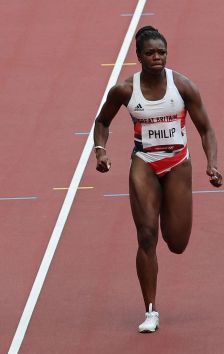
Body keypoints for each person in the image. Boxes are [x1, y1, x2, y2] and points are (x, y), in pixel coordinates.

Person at [94, 25, 221, 333]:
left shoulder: (183, 86)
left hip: (178, 164)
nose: (157, 58)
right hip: (144, 163)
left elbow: (206, 129)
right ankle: (150, 310)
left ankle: (168, 209)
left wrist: (213, 164)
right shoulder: (125, 89)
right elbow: (102, 121)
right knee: (147, 236)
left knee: (176, 242)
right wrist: (101, 150)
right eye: (150, 53)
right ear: (138, 56)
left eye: (161, 52)